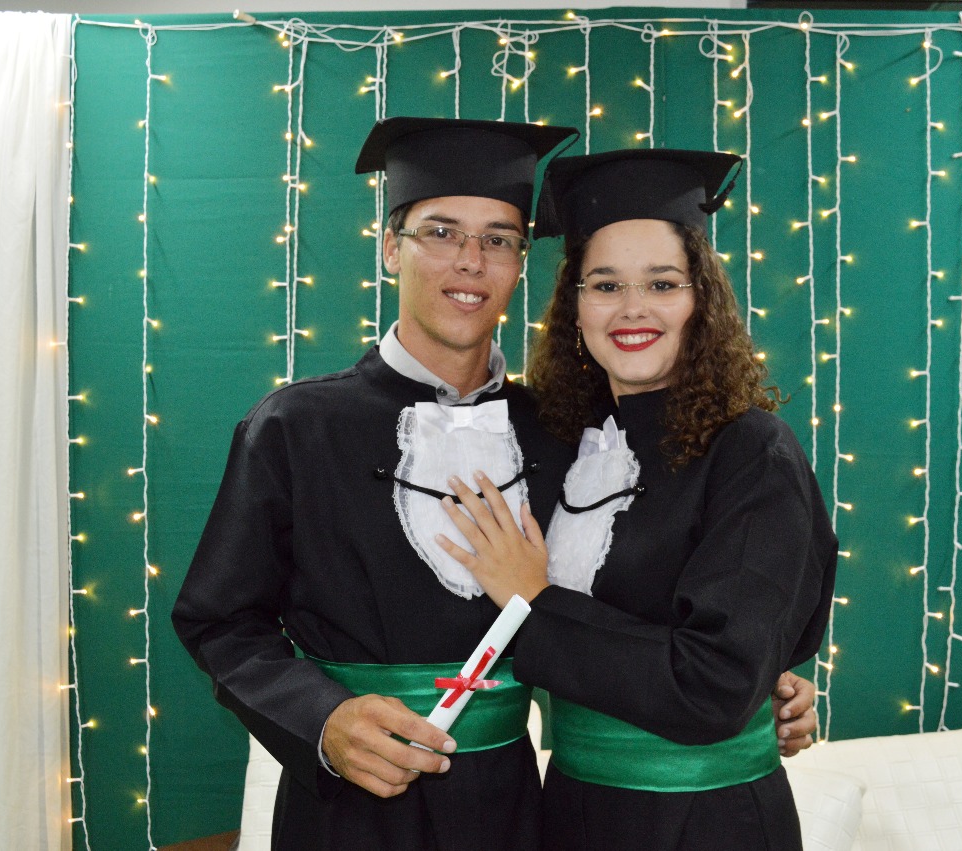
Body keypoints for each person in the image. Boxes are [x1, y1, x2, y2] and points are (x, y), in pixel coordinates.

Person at [174, 117, 819, 850]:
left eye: (499, 240)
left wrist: (758, 681)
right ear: (390, 247)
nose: (470, 262)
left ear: (521, 266)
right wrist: (321, 720)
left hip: (519, 811)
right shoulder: (292, 426)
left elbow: (639, 584)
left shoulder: (566, 435)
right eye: (440, 233)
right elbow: (219, 620)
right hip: (353, 811)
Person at [433, 148, 838, 850]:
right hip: (573, 809)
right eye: (605, 284)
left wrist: (535, 601)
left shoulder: (752, 451)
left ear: (701, 299)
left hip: (707, 823)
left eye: (662, 283)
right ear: (575, 306)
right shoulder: (567, 446)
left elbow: (713, 684)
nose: (632, 309)